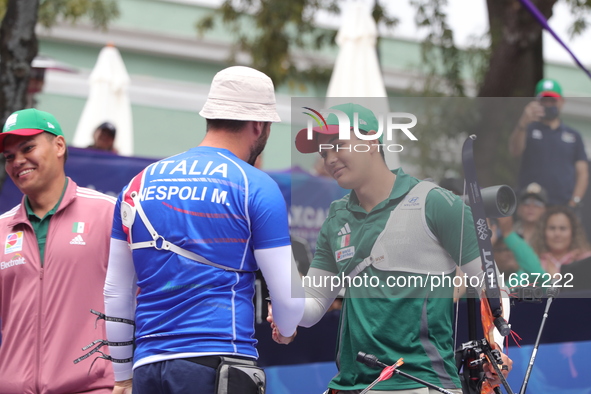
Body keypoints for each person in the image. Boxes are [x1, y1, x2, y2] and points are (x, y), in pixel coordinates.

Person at [270, 103, 512, 394]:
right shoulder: (336, 218)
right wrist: (287, 312)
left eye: (338, 145)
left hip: (422, 384)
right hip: (350, 385)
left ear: (371, 141)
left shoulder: (434, 202)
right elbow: (311, 309)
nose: (329, 159)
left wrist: (494, 349)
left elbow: (492, 285)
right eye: (323, 152)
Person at [103, 66, 304, 394]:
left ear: (210, 116)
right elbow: (290, 300)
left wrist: (122, 375)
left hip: (147, 367)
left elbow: (116, 292)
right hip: (220, 363)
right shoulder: (254, 186)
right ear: (259, 125)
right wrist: (286, 327)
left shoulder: (137, 186)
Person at [0, 109, 115, 393]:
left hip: (92, 387)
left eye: (28, 148)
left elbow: (145, 299)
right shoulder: (2, 228)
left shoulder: (107, 213)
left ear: (59, 146)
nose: (18, 161)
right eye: (9, 157)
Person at [509, 78, 589, 207]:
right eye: (544, 100)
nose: (548, 104)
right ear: (536, 102)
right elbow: (515, 151)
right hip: (530, 203)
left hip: (562, 205)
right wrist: (523, 122)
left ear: (562, 102)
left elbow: (583, 172)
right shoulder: (527, 129)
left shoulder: (574, 135)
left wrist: (574, 201)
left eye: (552, 100)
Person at [531, 205, 591, 276]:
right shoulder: (533, 261)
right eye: (552, 228)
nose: (557, 234)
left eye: (563, 228)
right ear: (543, 232)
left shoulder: (587, 259)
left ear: (573, 232)